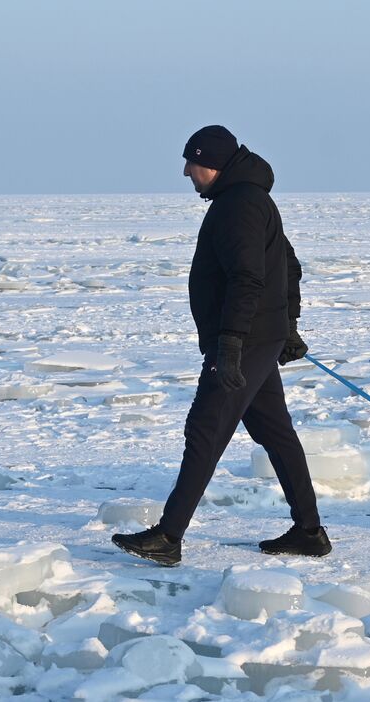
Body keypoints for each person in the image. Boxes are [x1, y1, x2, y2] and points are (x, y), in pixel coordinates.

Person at [112, 125, 331, 566]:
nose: (187, 172)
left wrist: (232, 343)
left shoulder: (238, 206)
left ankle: (168, 537)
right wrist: (286, 326)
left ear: (209, 162)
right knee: (276, 433)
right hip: (257, 338)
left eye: (191, 163)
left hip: (243, 341)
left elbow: (249, 278)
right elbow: (287, 264)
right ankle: (309, 532)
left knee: (205, 431)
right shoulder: (251, 200)